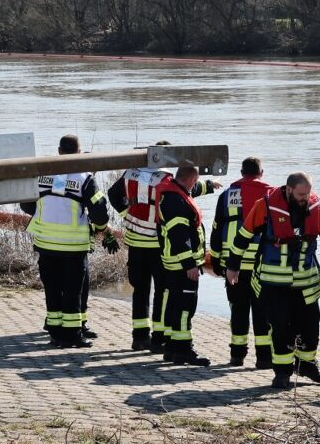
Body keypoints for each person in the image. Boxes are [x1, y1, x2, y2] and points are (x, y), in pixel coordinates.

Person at [225, 172, 320, 389]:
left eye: (307, 194)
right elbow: (243, 236)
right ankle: (282, 372)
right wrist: (233, 267)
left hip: (306, 284)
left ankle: (307, 365)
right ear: (288, 190)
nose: (304, 198)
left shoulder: (319, 207)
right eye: (300, 194)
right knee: (280, 329)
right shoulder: (265, 206)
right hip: (273, 283)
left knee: (310, 326)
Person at [107, 141, 219, 352]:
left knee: (139, 289)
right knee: (163, 290)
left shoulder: (131, 173)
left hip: (135, 239)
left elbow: (113, 195)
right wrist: (211, 185)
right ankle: (159, 337)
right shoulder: (165, 179)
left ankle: (139, 337)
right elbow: (184, 191)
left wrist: (126, 215)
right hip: (157, 242)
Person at [20, 134, 119, 348]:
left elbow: (26, 205)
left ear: (59, 151)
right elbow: (99, 212)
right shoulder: (85, 179)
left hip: (46, 243)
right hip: (72, 245)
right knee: (73, 289)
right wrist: (103, 230)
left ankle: (55, 331)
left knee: (53, 288)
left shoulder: (41, 174)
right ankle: (72, 335)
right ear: (79, 152)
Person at [210, 157, 272, 368]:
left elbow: (217, 229)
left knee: (238, 310)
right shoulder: (271, 195)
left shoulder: (228, 195)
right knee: (263, 312)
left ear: (241, 172)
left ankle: (237, 356)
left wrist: (216, 259)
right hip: (262, 266)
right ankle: (264, 359)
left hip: (233, 265)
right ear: (261, 173)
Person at [155, 166, 210, 366]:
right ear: (192, 178)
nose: (196, 184)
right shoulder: (176, 201)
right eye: (196, 181)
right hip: (182, 264)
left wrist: (210, 186)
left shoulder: (173, 193)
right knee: (186, 307)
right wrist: (190, 265)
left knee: (175, 305)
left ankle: (171, 348)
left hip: (173, 262)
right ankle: (184, 350)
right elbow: (180, 236)